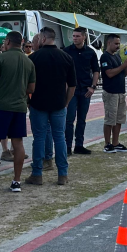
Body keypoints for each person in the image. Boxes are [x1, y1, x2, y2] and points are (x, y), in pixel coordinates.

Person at [0, 30, 36, 193]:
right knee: (18, 143)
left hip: (1, 106)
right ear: (21, 43)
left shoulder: (0, 58)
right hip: (19, 108)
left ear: (7, 42)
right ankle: (16, 181)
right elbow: (31, 88)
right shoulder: (29, 62)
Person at [27, 27, 75, 185]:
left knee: (39, 138)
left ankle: (37, 173)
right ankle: (63, 174)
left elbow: (28, 84)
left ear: (42, 38)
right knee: (59, 138)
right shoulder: (66, 57)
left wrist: (29, 101)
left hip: (38, 103)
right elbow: (72, 85)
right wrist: (66, 102)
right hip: (59, 103)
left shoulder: (34, 58)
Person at [64, 27, 100, 154]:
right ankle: (67, 146)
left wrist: (93, 86)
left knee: (82, 119)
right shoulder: (66, 51)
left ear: (84, 37)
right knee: (69, 119)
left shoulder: (90, 52)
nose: (75, 38)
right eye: (73, 36)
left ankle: (79, 145)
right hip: (71, 91)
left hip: (85, 90)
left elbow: (96, 70)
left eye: (78, 36)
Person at [100, 33, 127, 153]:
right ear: (109, 43)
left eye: (119, 43)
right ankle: (107, 143)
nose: (118, 46)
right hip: (110, 92)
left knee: (119, 119)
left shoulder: (117, 56)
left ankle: (116, 142)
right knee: (110, 119)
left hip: (120, 91)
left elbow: (122, 74)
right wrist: (124, 65)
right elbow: (110, 73)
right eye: (116, 43)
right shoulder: (105, 57)